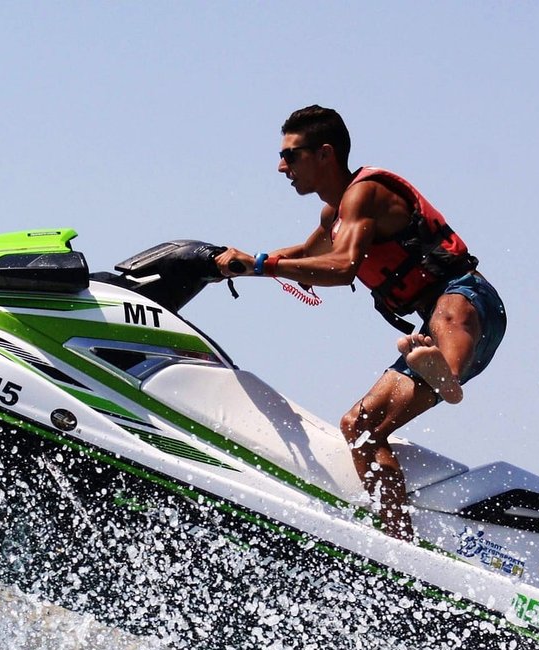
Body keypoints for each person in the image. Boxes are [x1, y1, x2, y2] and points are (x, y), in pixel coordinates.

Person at [214, 105, 507, 542]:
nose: (281, 167)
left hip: (468, 302)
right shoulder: (333, 215)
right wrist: (231, 264)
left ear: (324, 154)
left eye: (290, 155)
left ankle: (447, 375)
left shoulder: (364, 193)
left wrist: (258, 265)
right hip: (429, 331)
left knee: (447, 315)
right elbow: (303, 256)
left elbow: (341, 267)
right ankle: (400, 545)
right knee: (360, 427)